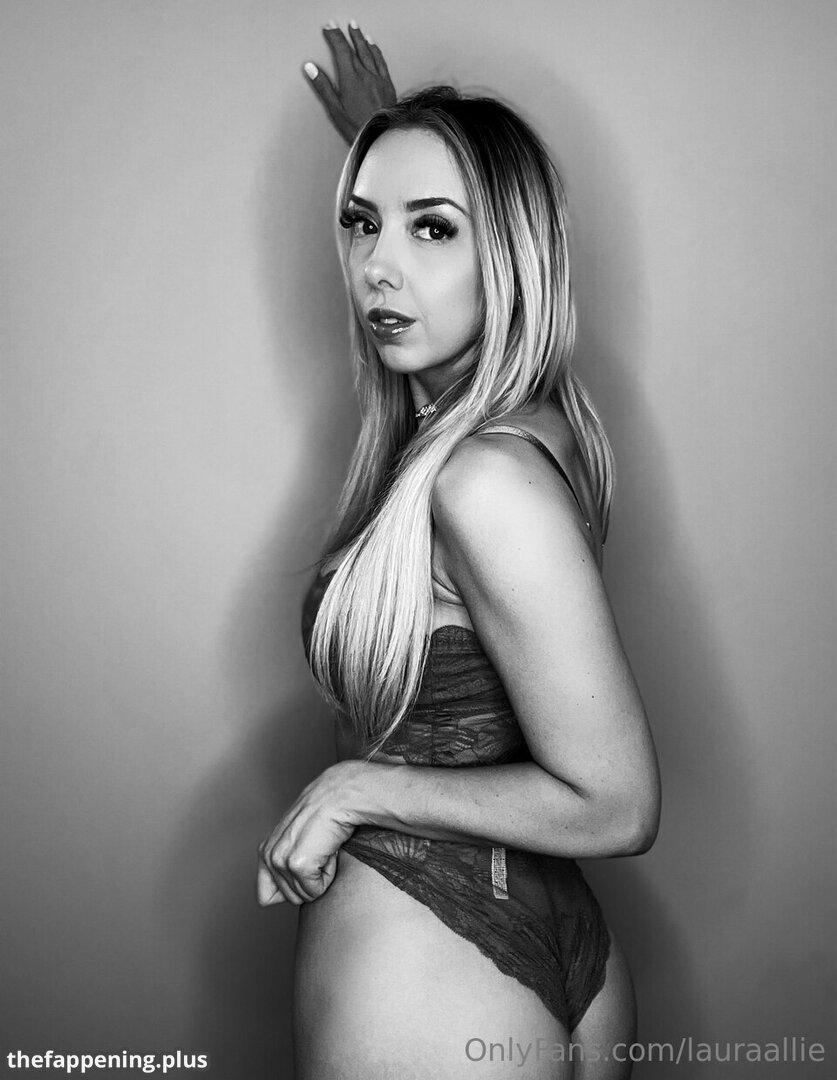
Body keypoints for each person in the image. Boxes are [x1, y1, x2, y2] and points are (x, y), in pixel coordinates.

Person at [257, 23, 661, 1080]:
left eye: (433, 230)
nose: (377, 268)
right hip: (555, 951)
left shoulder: (481, 480)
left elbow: (619, 804)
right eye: (361, 224)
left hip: (429, 961)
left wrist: (354, 790)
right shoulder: (545, 429)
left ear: (509, 253)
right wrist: (400, 148)